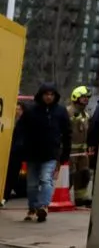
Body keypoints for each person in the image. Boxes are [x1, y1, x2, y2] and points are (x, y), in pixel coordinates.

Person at [20, 83, 71, 223]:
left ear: (55, 96)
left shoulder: (60, 112)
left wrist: (65, 154)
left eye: (51, 94)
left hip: (50, 153)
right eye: (46, 94)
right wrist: (21, 148)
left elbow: (67, 133)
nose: (49, 97)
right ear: (41, 95)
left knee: (46, 179)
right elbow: (21, 130)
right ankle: (32, 208)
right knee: (32, 184)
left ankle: (43, 207)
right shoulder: (31, 111)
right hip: (32, 153)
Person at [67, 86, 93, 206]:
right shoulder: (69, 112)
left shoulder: (86, 115)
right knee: (69, 175)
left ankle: (80, 198)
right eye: (83, 98)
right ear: (75, 97)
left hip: (82, 151)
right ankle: (61, 196)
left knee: (84, 174)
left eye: (87, 98)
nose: (86, 100)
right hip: (70, 150)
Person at [2, 101, 26, 206]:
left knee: (11, 176)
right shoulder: (9, 120)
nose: (16, 111)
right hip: (7, 151)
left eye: (18, 109)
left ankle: (4, 196)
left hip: (16, 153)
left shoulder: (24, 123)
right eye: (15, 109)